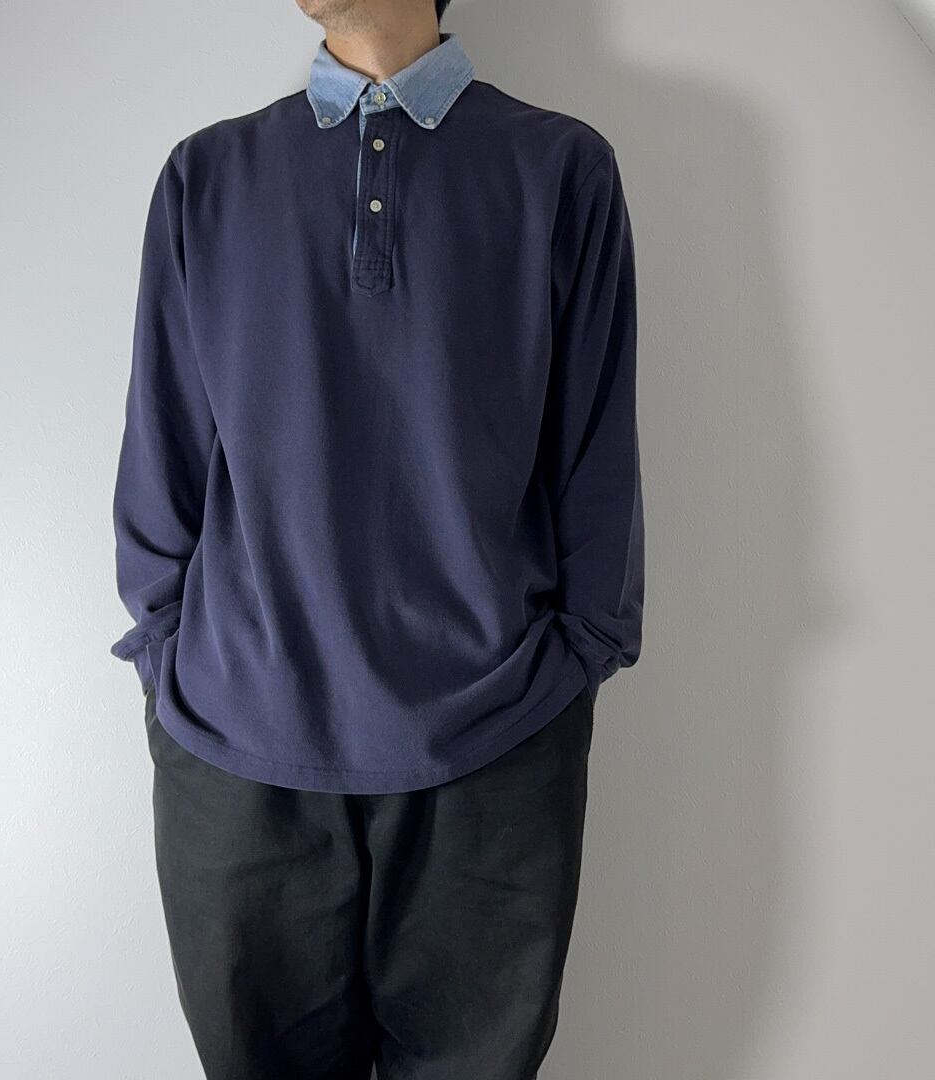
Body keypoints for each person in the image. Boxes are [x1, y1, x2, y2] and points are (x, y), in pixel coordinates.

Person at [109, 0, 644, 1075]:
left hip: (492, 747)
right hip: (238, 750)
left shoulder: (559, 169)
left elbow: (594, 446)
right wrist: (170, 653)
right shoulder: (207, 176)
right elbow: (164, 443)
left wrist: (580, 657)